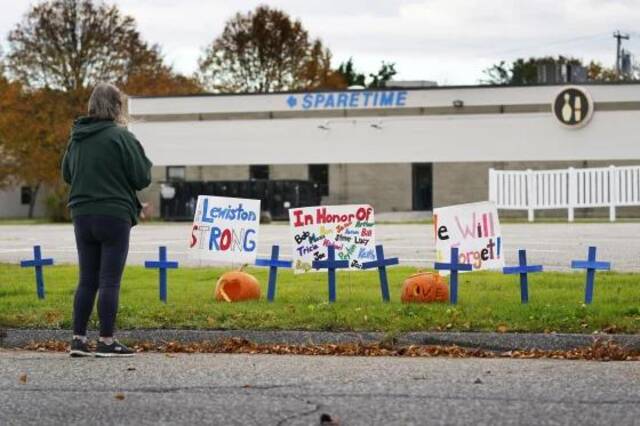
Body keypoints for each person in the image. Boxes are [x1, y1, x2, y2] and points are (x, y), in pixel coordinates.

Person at [62, 83, 152, 357]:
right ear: (116, 107)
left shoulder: (76, 138)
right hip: (113, 215)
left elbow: (67, 174)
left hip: (81, 214)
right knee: (109, 280)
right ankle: (106, 340)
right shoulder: (121, 137)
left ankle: (78, 340)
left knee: (86, 279)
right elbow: (142, 177)